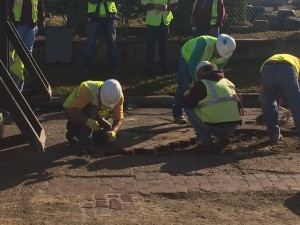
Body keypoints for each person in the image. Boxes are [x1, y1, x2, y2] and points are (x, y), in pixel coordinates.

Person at [172, 34, 236, 124]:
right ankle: (178, 114)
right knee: (184, 85)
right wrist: (195, 83)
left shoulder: (225, 55)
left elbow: (216, 72)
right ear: (216, 47)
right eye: (219, 53)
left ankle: (198, 116)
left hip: (204, 64)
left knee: (205, 89)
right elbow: (192, 63)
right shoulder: (204, 43)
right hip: (187, 58)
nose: (220, 57)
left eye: (222, 55)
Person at [183, 61, 242, 153]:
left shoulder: (201, 84)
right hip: (233, 126)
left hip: (215, 127)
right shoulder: (228, 82)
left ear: (200, 73)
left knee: (188, 109)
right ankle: (223, 138)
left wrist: (188, 93)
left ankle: (206, 143)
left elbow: (188, 104)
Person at [63, 79, 124, 153]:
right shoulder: (88, 91)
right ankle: (84, 142)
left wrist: (114, 132)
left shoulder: (117, 96)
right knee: (92, 109)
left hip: (94, 114)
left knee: (106, 133)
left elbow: (118, 119)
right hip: (72, 111)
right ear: (101, 94)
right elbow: (72, 110)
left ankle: (75, 129)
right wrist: (89, 121)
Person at [260, 54, 300, 144]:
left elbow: (267, 92)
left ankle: (273, 136)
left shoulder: (285, 58)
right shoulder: (298, 63)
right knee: (296, 105)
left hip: (267, 68)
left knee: (269, 103)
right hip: (286, 68)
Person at [9, 0, 45, 91]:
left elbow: (40, 6)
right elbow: (9, 5)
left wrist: (42, 19)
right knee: (15, 49)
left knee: (29, 51)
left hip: (31, 26)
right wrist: (10, 20)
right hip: (18, 25)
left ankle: (27, 71)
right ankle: (14, 72)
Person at [140, 0, 178, 77]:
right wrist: (154, 6)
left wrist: (167, 6)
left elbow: (175, 4)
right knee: (151, 46)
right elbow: (143, 6)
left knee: (164, 46)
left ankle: (164, 68)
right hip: (152, 22)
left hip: (165, 21)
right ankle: (149, 70)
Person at [82, 0, 119, 73]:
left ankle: (114, 67)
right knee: (90, 44)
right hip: (94, 18)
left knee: (112, 44)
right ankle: (86, 67)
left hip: (109, 17)